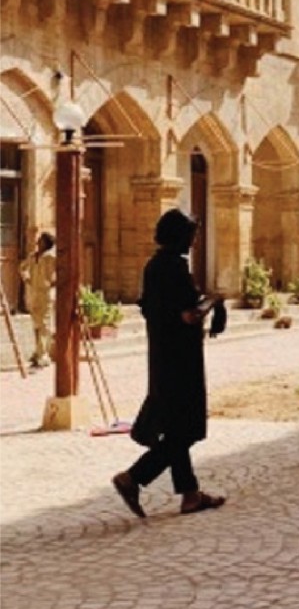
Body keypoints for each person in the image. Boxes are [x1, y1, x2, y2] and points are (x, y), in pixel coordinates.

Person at [112, 209, 226, 519]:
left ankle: (190, 495)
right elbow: (188, 314)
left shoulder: (153, 267)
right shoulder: (174, 268)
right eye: (190, 235)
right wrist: (213, 301)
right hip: (181, 360)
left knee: (177, 427)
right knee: (183, 430)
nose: (193, 241)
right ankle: (134, 477)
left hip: (163, 356)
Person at [20, 231, 56, 369]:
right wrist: (27, 278)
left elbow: (58, 271)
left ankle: (43, 354)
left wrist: (51, 282)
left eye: (41, 241)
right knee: (36, 323)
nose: (38, 243)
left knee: (45, 324)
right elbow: (22, 267)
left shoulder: (51, 257)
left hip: (45, 293)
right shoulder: (33, 256)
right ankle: (38, 351)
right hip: (34, 292)